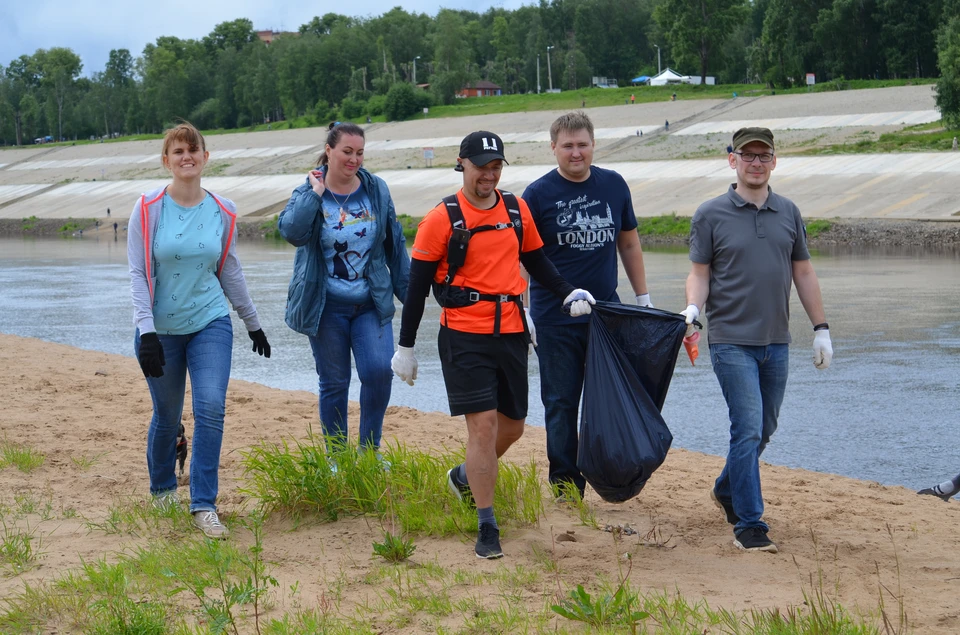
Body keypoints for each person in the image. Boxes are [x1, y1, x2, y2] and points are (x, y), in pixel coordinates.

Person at [391, 130, 595, 559]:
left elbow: (537, 260)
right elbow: (416, 288)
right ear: (462, 164)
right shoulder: (440, 219)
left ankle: (465, 475)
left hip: (513, 332)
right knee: (482, 427)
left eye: (496, 166)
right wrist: (405, 347)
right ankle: (487, 525)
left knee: (514, 427)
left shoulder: (516, 209)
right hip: (464, 334)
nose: (489, 174)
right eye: (481, 165)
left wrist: (567, 292)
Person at [681, 126, 832, 554]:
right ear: (733, 160)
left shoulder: (788, 212)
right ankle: (750, 524)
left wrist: (821, 329)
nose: (756, 163)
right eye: (747, 155)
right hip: (729, 340)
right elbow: (699, 273)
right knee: (746, 427)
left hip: (777, 341)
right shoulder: (710, 214)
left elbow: (803, 271)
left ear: (774, 161)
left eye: (763, 156)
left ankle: (727, 488)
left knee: (764, 428)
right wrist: (693, 309)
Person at [128, 121, 271, 540]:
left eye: (194, 150)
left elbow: (229, 268)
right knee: (167, 414)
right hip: (161, 330)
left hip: (211, 322)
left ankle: (204, 505)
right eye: (178, 151)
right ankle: (162, 490)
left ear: (205, 158)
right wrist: (146, 332)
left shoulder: (223, 210)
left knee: (211, 408)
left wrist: (252, 323)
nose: (186, 156)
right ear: (166, 161)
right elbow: (137, 273)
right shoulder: (148, 207)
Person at [521, 111, 651, 499]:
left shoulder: (613, 185)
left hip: (605, 316)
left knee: (608, 398)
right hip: (554, 319)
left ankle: (608, 470)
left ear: (594, 145)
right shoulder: (537, 194)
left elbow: (628, 243)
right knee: (561, 402)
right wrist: (523, 309)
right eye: (567, 146)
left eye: (582, 144)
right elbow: (523, 258)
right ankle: (565, 485)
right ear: (553, 148)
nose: (576, 153)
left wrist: (642, 298)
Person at [278, 122, 409, 456]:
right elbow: (292, 231)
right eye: (347, 152)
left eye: (360, 153)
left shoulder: (376, 189)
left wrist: (410, 295)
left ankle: (369, 452)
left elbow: (395, 244)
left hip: (370, 303)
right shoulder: (307, 191)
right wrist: (316, 193)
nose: (354, 159)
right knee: (335, 383)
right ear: (329, 150)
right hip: (325, 306)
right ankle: (337, 456)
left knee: (379, 372)